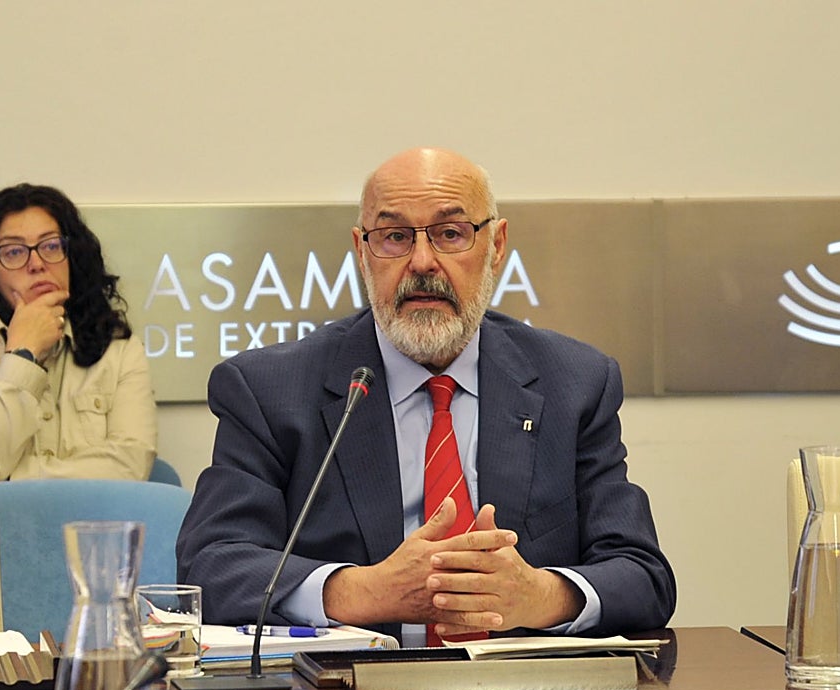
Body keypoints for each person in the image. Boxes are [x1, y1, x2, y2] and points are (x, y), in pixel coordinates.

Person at [177, 148, 675, 642]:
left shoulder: (575, 383)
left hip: (519, 689)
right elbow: (211, 567)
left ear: (496, 246)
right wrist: (364, 591)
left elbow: (642, 576)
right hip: (350, 689)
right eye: (394, 237)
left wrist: (539, 596)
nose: (422, 262)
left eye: (450, 233)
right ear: (362, 252)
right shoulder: (271, 391)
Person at [0, 183, 157, 481]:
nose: (37, 264)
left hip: (91, 514)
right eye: (14, 251)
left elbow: (131, 467)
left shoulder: (119, 350)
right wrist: (23, 352)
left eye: (51, 246)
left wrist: (4, 481)